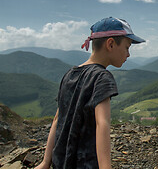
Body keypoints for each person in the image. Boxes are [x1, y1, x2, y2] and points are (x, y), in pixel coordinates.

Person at [35, 17, 145, 169]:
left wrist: (45, 162)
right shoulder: (102, 77)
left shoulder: (69, 74)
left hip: (60, 162)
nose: (128, 54)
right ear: (111, 44)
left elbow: (57, 120)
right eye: (127, 47)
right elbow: (102, 123)